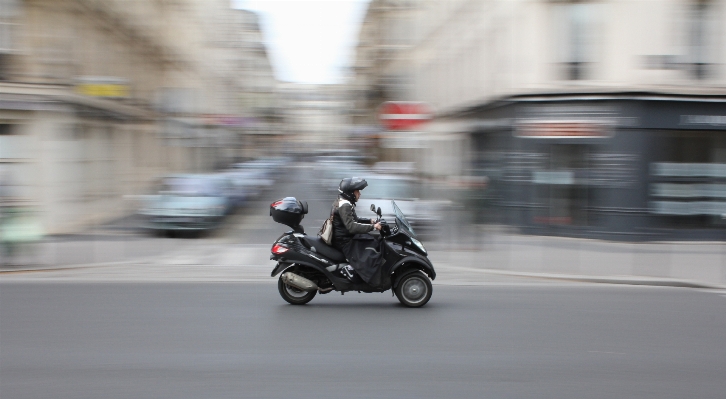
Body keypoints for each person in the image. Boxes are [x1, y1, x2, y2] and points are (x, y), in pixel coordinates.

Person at [330, 177, 385, 286]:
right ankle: (354, 271)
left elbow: (354, 219)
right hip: (344, 241)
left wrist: (370, 221)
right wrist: (373, 227)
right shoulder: (344, 205)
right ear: (350, 193)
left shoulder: (344, 202)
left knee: (373, 241)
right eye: (357, 191)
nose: (359, 194)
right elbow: (351, 226)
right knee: (370, 251)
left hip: (346, 237)